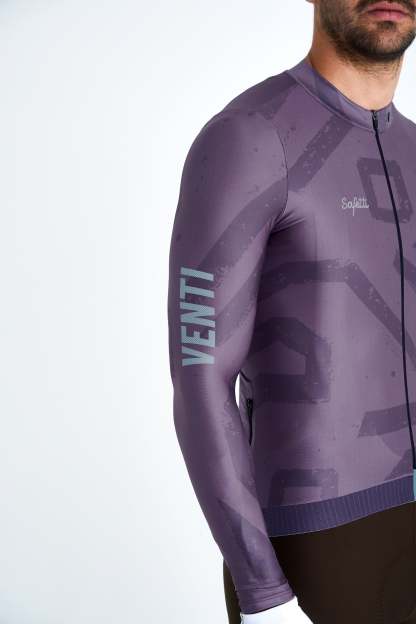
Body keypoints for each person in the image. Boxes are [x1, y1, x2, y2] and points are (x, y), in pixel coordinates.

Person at [167, 0, 416, 622]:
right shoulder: (250, 137)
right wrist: (262, 592)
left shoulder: (414, 148)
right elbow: (200, 378)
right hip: (314, 545)